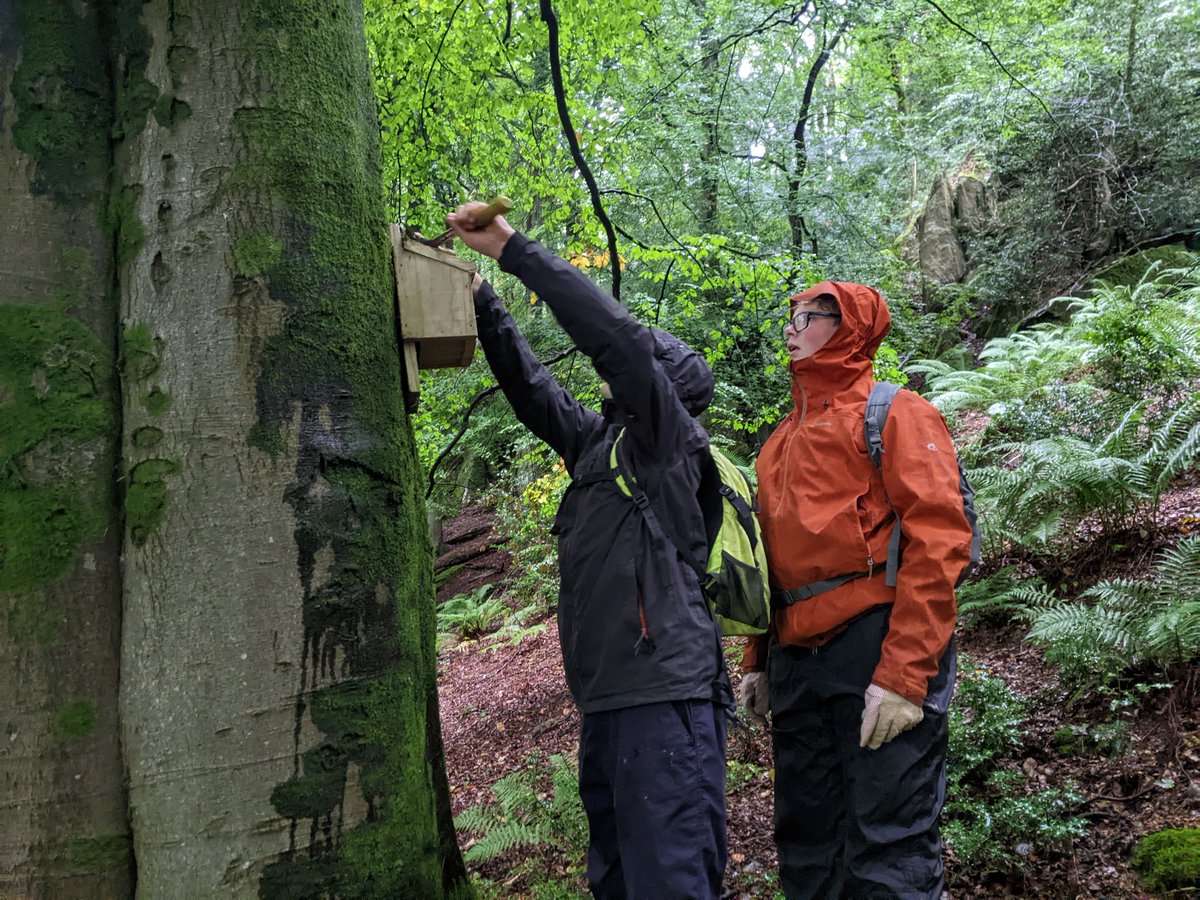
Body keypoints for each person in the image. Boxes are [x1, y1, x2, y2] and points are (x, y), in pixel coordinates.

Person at [445, 204, 731, 899]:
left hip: (668, 698)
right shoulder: (601, 448)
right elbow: (534, 392)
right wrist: (486, 304)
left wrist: (512, 249)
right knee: (617, 880)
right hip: (608, 702)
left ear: (658, 385)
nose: (616, 364)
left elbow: (616, 338)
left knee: (670, 883)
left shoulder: (667, 444)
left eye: (639, 361)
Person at [739, 281, 973, 898]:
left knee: (888, 844)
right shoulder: (777, 444)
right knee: (807, 844)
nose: (790, 328)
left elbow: (940, 542)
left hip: (873, 646)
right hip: (796, 662)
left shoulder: (896, 413)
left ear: (848, 328)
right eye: (789, 317)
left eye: (807, 317)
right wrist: (757, 663)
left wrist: (903, 676)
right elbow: (771, 564)